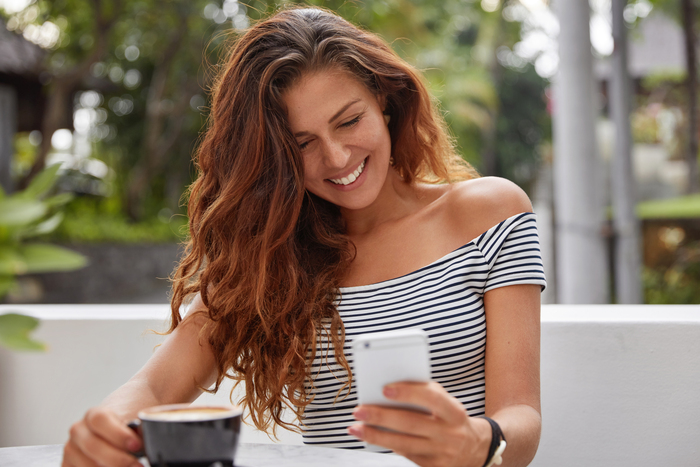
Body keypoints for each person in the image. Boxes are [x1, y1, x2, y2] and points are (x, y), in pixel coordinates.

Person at [62, 7, 546, 467]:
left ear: (384, 98)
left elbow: (522, 418)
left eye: (349, 120)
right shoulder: (271, 257)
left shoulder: (490, 213)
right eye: (302, 144)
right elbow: (155, 387)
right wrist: (105, 429)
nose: (336, 158)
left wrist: (476, 443)